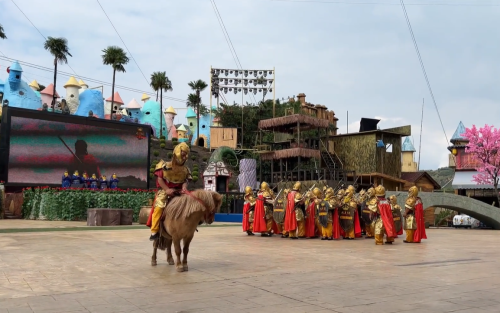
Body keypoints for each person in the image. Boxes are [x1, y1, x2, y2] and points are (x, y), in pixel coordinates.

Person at [147, 142, 191, 241]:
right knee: (159, 206)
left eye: (186, 155)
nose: (185, 157)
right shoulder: (164, 166)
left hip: (179, 192)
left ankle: (190, 226)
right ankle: (154, 231)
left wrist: (184, 187)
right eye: (183, 154)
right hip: (164, 191)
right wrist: (167, 189)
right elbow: (160, 179)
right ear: (178, 153)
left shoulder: (186, 170)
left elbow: (186, 180)